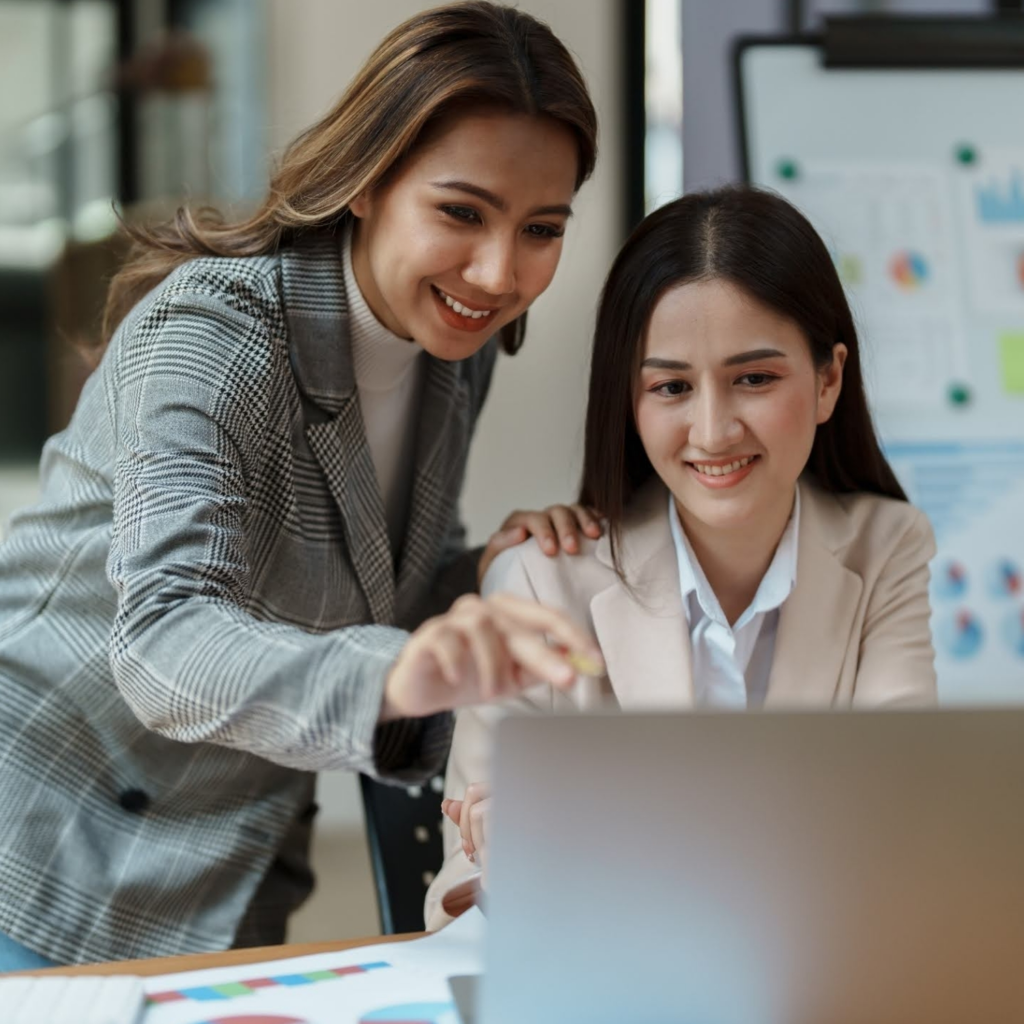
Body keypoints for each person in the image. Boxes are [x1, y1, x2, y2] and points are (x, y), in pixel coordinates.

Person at [0, 1, 607, 970]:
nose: (498, 272)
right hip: (44, 847)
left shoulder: (454, 346)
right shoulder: (213, 335)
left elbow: (367, 582)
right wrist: (401, 673)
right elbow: (164, 638)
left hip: (226, 857)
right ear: (366, 180)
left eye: (541, 227)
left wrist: (486, 572)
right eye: (461, 212)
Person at [425, 185, 938, 930]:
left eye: (754, 379)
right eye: (670, 386)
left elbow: (904, 827)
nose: (713, 430)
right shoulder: (538, 580)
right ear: (628, 405)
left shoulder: (886, 547)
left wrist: (589, 838)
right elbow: (459, 901)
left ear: (828, 381)